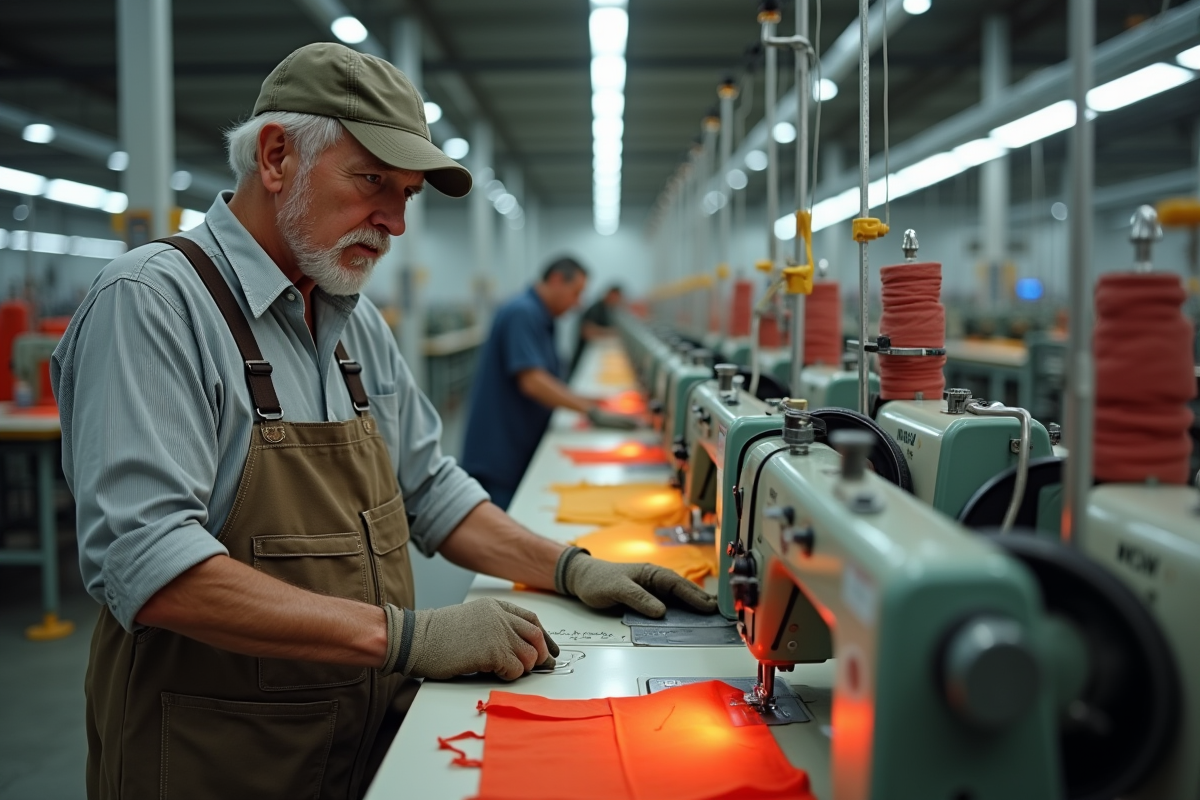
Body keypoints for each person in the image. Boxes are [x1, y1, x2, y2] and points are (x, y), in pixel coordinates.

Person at [52, 43, 714, 800]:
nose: (396, 222)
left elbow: (431, 489)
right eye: (373, 181)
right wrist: (405, 636)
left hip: (357, 746)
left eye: (408, 194)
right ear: (276, 157)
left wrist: (569, 568)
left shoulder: (352, 324)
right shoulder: (152, 304)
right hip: (221, 760)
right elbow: (150, 565)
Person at [461, 260, 639, 509]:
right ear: (556, 280)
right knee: (503, 520)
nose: (578, 303)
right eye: (575, 293)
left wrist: (587, 400)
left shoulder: (541, 316)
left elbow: (546, 377)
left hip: (517, 443)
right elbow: (532, 381)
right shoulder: (522, 312)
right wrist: (590, 411)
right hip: (500, 451)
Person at [569, 284, 623, 376]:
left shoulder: (607, 309)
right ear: (610, 294)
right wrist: (610, 332)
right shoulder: (596, 309)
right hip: (583, 356)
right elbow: (587, 331)